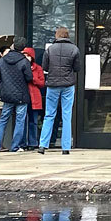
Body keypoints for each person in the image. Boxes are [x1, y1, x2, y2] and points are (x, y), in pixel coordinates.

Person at [39, 26, 80, 155]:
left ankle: (43, 145)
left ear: (57, 35)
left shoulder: (50, 49)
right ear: (67, 36)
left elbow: (44, 67)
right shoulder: (74, 49)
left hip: (52, 85)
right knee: (67, 116)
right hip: (68, 85)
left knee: (49, 114)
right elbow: (77, 68)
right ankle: (66, 147)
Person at [0, 37, 33, 152]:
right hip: (21, 95)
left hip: (7, 94)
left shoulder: (2, 61)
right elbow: (29, 78)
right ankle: (15, 147)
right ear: (23, 48)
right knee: (20, 120)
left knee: (3, 120)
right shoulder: (24, 61)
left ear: (13, 45)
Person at [20, 46, 45, 152]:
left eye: (27, 55)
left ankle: (33, 142)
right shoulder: (20, 67)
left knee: (33, 121)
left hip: (35, 97)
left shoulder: (38, 68)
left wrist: (32, 78)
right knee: (22, 121)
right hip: (24, 96)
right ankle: (22, 143)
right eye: (24, 55)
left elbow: (42, 83)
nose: (26, 58)